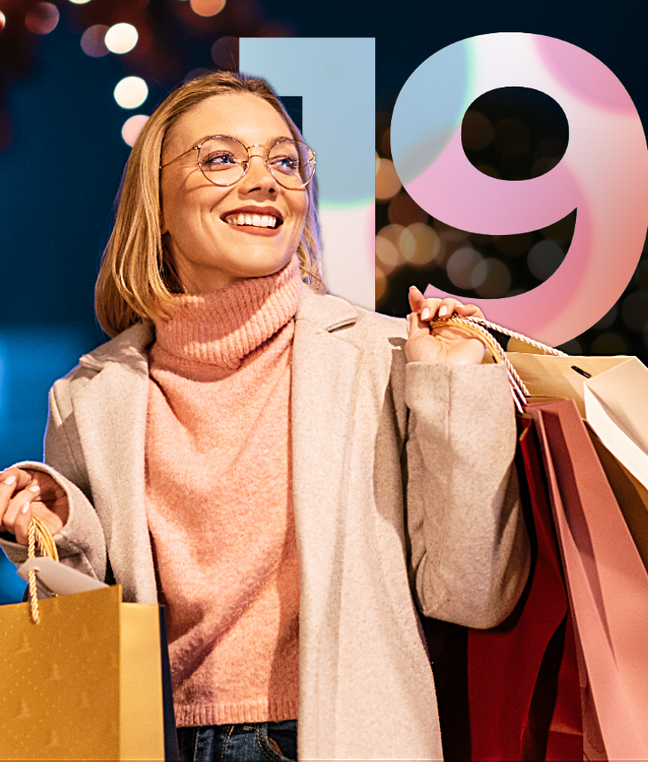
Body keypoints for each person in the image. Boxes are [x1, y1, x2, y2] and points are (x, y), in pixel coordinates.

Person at [0, 71, 530, 761]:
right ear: (154, 203)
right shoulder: (89, 396)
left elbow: (474, 594)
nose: (264, 180)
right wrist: (53, 528)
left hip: (337, 741)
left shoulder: (389, 357)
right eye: (221, 158)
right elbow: (88, 623)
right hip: (150, 742)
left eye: (284, 161)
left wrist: (453, 387)